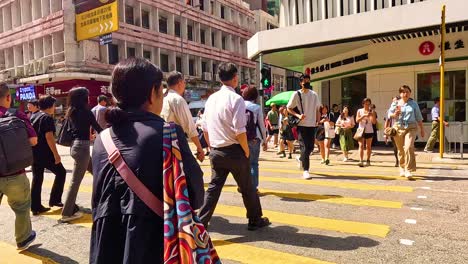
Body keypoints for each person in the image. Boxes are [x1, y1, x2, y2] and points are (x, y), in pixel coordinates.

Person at [90, 58, 204, 263]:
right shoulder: (169, 134)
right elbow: (195, 196)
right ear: (153, 93)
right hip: (152, 245)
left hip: (106, 247)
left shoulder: (102, 140)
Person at [199, 62, 270, 231]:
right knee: (247, 187)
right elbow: (240, 130)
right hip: (234, 150)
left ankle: (200, 223)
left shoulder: (212, 99)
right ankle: (254, 219)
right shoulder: (236, 99)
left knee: (213, 188)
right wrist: (245, 150)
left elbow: (205, 127)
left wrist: (211, 147)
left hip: (216, 151)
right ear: (235, 77)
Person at [0, 83, 38, 250]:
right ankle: (23, 239)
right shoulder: (17, 115)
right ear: (8, 97)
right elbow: (33, 141)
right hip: (15, 172)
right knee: (21, 207)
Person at [61, 87, 103, 222]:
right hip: (82, 148)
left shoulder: (71, 111)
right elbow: (98, 128)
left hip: (75, 147)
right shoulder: (86, 112)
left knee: (98, 173)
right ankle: (67, 212)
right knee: (75, 181)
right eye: (87, 95)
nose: (89, 97)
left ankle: (105, 198)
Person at [30, 95, 67, 215]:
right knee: (61, 172)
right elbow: (49, 137)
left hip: (34, 152)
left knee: (37, 178)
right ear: (50, 106)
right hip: (45, 153)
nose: (54, 108)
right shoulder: (47, 118)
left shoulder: (34, 116)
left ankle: (35, 206)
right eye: (54, 105)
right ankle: (55, 199)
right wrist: (56, 154)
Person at [160, 71, 205, 162]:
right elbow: (190, 127)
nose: (185, 85)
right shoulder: (177, 99)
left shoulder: (162, 97)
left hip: (162, 142)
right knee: (193, 174)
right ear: (180, 82)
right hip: (176, 143)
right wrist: (199, 148)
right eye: (184, 82)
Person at [287, 74, 321, 179]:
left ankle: (301, 158)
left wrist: (318, 121)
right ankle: (306, 170)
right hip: (301, 125)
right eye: (305, 80)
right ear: (301, 83)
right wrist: (298, 115)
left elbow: (317, 109)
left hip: (312, 125)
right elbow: (289, 108)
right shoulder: (296, 94)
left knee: (310, 148)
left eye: (308, 80)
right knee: (305, 147)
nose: (307, 82)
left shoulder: (314, 94)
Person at [388, 85, 425, 178]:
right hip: (399, 127)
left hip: (411, 127)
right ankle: (402, 167)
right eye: (403, 92)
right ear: (400, 94)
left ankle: (408, 169)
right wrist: (394, 114)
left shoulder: (413, 103)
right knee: (400, 150)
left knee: (408, 147)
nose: (405, 94)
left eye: (407, 92)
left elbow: (419, 117)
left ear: (410, 93)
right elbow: (389, 115)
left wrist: (422, 129)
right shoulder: (395, 103)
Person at [242, 87, 267, 192]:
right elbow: (261, 125)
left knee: (243, 163)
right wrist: (265, 141)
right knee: (253, 163)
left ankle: (243, 185)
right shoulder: (256, 108)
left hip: (241, 138)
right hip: (254, 138)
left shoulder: (239, 105)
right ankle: (254, 187)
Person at [355, 98, 376, 167]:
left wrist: (371, 115)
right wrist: (363, 116)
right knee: (361, 145)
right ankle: (361, 160)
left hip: (369, 130)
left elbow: (374, 122)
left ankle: (368, 160)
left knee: (368, 146)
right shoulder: (359, 111)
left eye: (368, 104)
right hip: (361, 130)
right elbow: (357, 120)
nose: (367, 105)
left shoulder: (372, 111)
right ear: (363, 104)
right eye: (366, 104)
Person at [384, 96, 400, 167]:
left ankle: (402, 160)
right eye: (393, 101)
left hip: (402, 129)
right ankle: (397, 160)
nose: (395, 102)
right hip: (393, 130)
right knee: (395, 146)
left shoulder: (403, 108)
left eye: (396, 101)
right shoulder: (389, 111)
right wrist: (386, 134)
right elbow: (387, 122)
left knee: (402, 146)